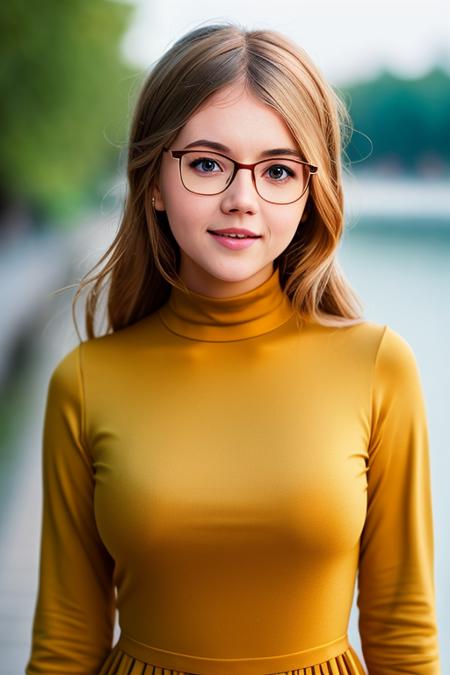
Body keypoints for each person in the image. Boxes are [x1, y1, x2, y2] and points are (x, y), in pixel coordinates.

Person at [25, 21, 441, 675]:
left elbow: (402, 630)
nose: (241, 199)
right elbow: (66, 641)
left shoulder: (379, 367)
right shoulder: (84, 381)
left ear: (310, 192)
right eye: (208, 163)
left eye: (277, 169)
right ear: (154, 181)